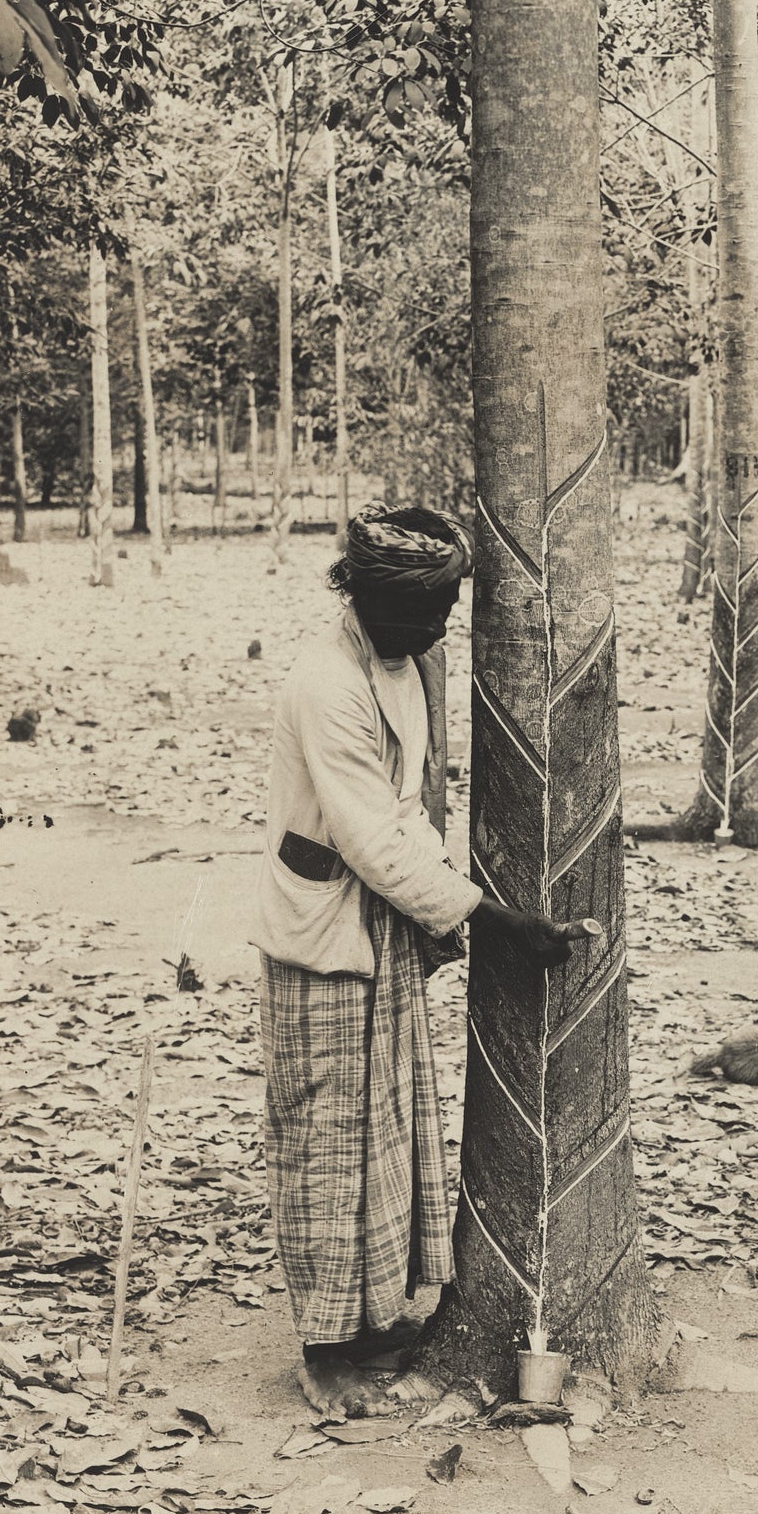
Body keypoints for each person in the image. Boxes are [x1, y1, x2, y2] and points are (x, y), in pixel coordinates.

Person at [251, 504, 584, 1417]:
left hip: (380, 927)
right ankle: (322, 1351)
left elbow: (409, 809)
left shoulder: (404, 661)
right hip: (325, 935)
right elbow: (370, 837)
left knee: (382, 1131)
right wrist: (495, 918)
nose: (440, 630)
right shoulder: (327, 683)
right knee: (327, 1141)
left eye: (447, 609)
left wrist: (454, 908)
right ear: (363, 595)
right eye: (424, 612)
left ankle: (366, 1320)